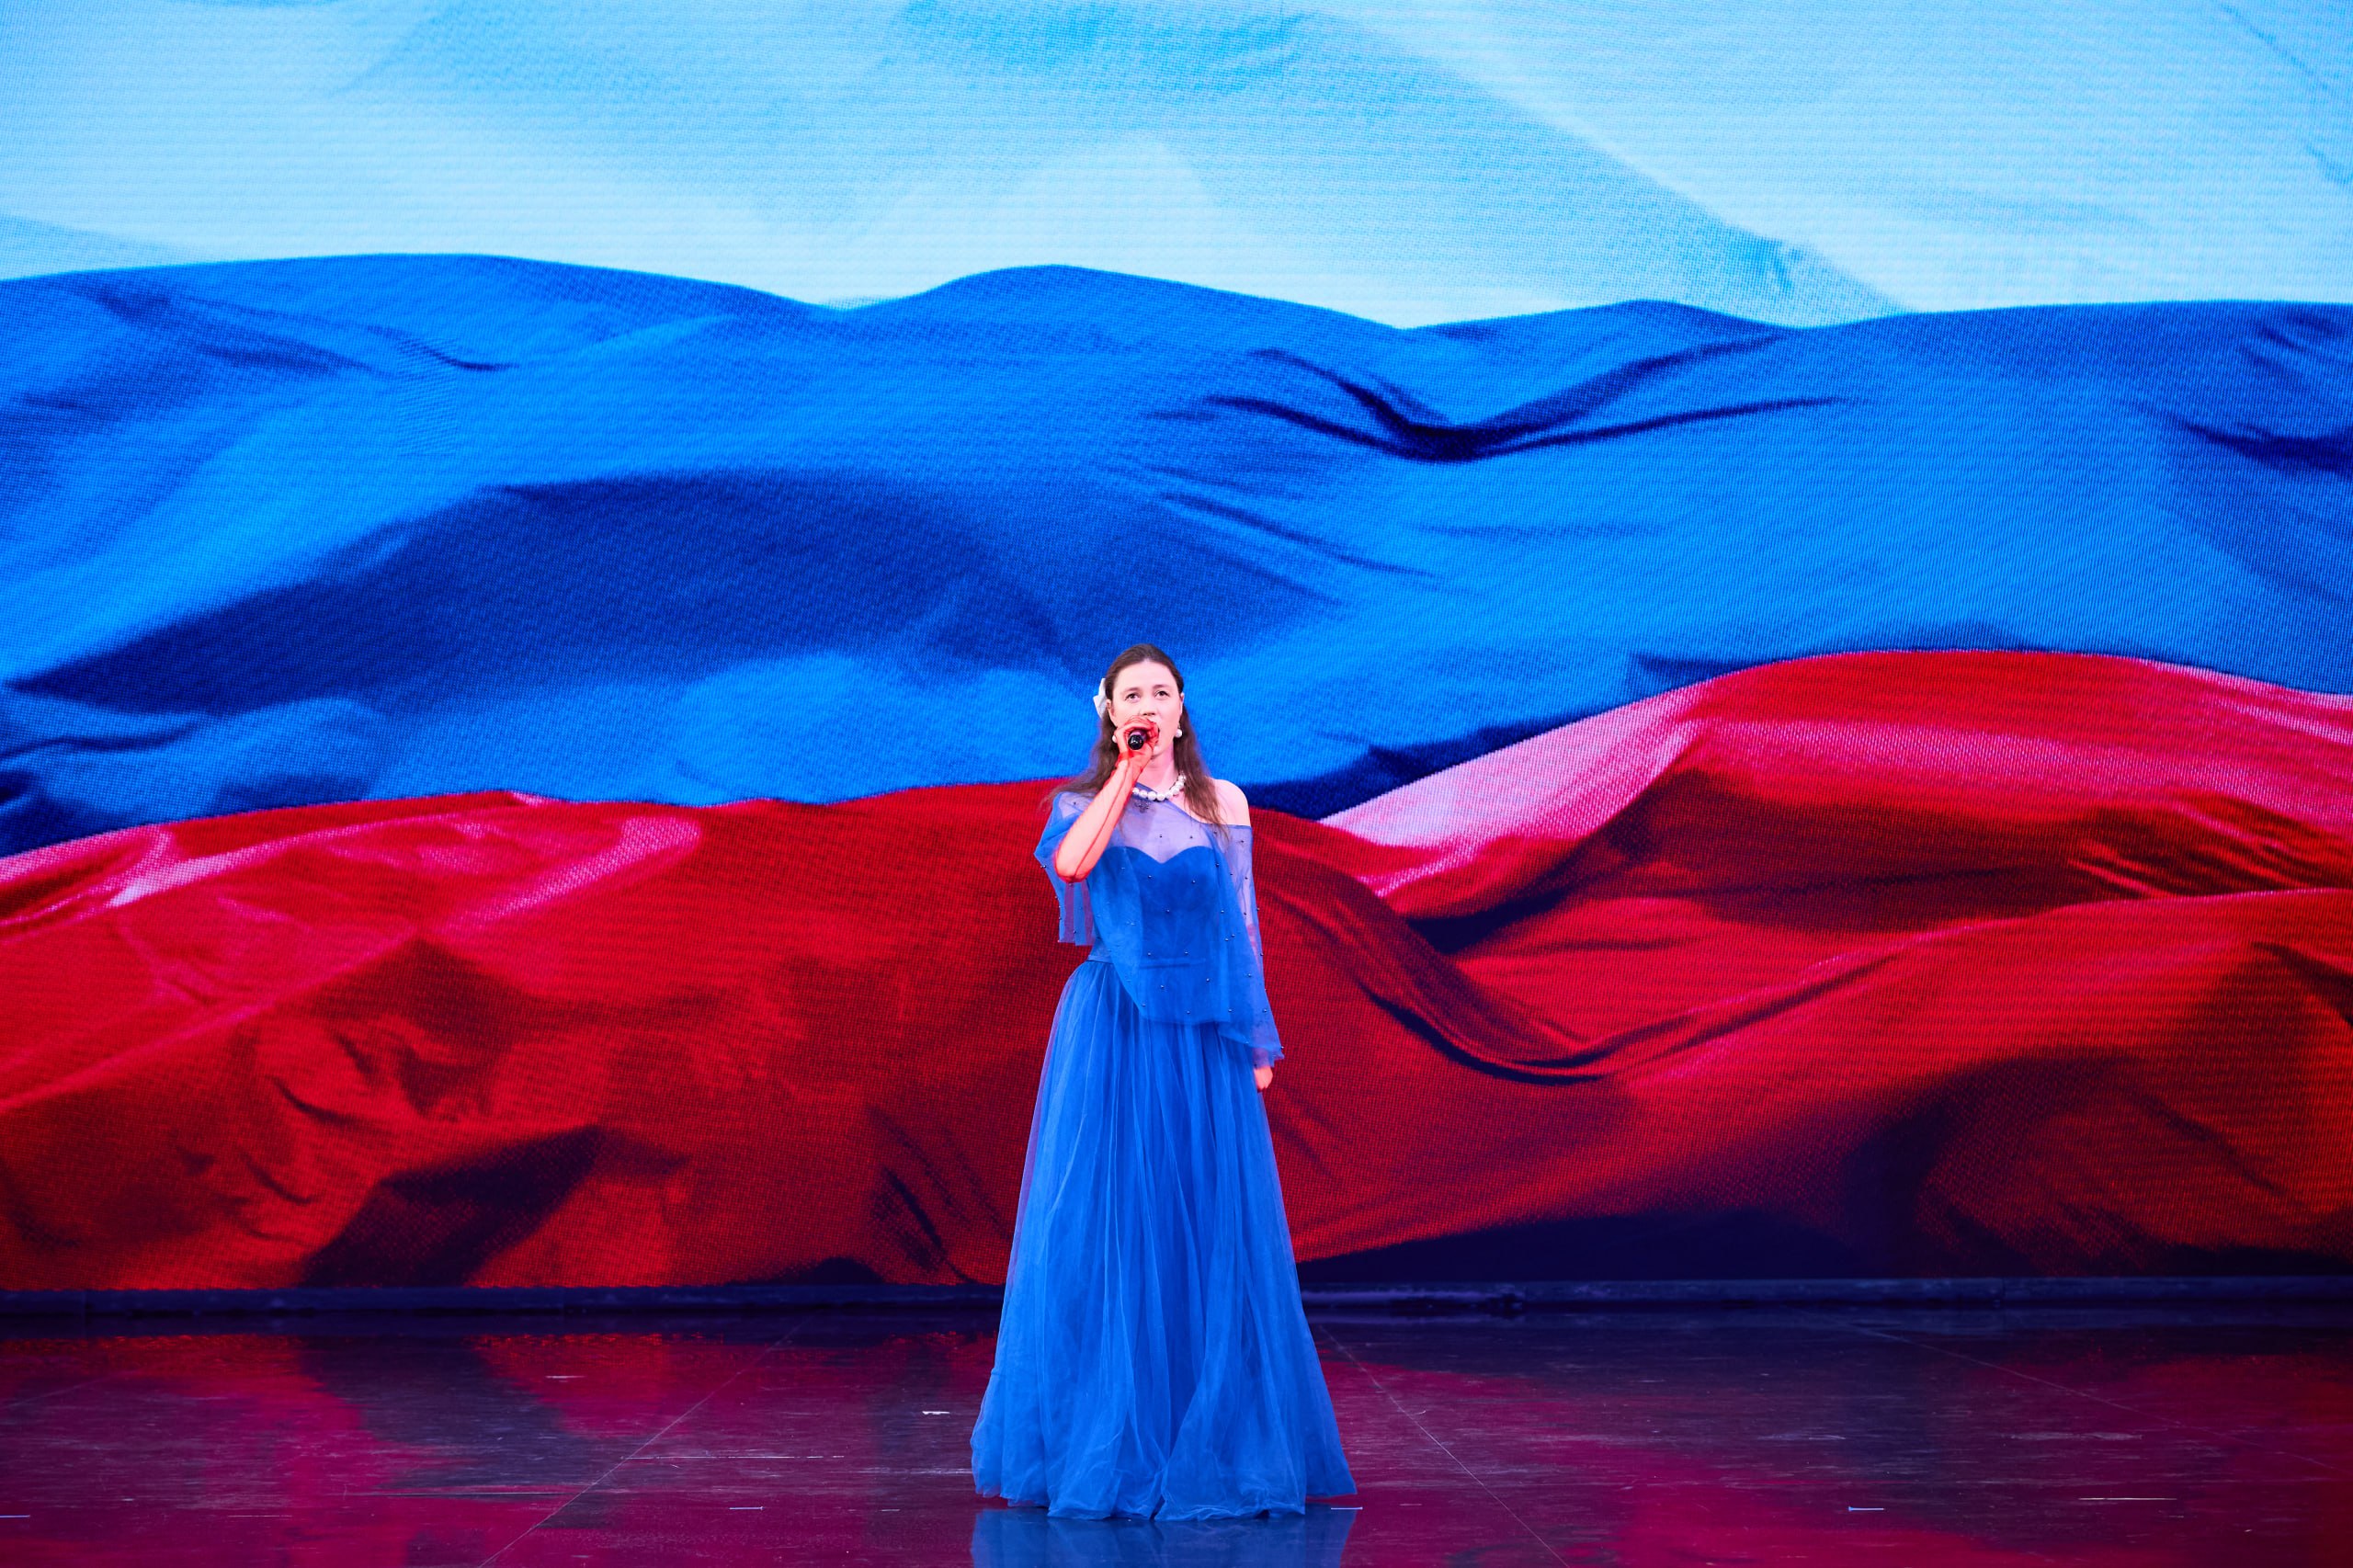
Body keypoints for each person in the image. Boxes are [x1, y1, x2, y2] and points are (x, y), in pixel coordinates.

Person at [970, 643, 1357, 1520]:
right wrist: (1126, 773)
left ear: (1182, 706)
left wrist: (1256, 1037)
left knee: (1207, 1225)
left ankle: (1213, 1432)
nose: (1148, 704)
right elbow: (1073, 867)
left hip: (1201, 1027)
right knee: (1116, 1224)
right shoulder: (1081, 803)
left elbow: (1240, 926)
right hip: (1115, 1026)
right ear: (1110, 712)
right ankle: (1110, 1436)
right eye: (1131, 695)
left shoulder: (1225, 804)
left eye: (1161, 692)